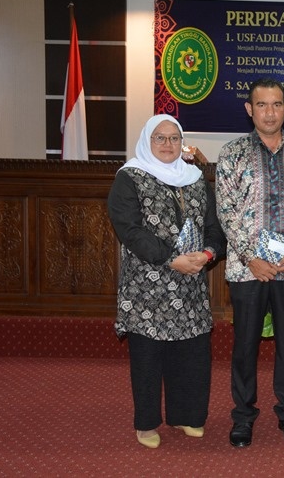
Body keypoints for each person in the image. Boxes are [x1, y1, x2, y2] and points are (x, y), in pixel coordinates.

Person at [108, 114, 225, 449]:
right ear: (147, 141)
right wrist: (172, 259)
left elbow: (214, 228)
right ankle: (146, 424)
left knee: (191, 354)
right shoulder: (130, 177)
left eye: (174, 138)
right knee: (148, 358)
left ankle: (187, 415)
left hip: (190, 285)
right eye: (159, 138)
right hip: (148, 286)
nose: (168, 144)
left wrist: (207, 254)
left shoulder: (196, 178)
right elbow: (129, 230)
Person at [216, 78, 284, 447]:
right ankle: (243, 416)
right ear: (250, 110)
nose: (270, 112)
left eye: (277, 104)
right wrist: (250, 257)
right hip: (248, 269)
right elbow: (226, 211)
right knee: (245, 344)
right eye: (261, 105)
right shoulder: (231, 154)